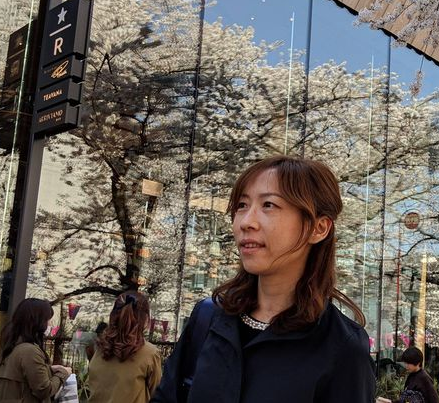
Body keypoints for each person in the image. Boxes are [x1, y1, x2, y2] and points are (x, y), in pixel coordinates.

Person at [151, 155, 376, 403]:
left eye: (269, 205)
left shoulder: (342, 347)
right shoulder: (208, 318)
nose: (246, 222)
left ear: (318, 228)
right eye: (242, 205)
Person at [87, 291, 161, 403]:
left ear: (113, 315)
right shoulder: (150, 353)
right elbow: (158, 395)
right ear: (145, 318)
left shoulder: (100, 348)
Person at [0, 298, 71, 403]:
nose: (50, 324)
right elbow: (44, 390)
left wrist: (48, 369)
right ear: (37, 321)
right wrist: (63, 373)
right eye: (47, 319)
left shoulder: (13, 346)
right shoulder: (30, 351)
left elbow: (22, 375)